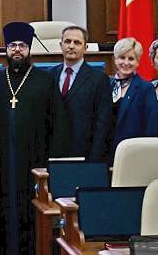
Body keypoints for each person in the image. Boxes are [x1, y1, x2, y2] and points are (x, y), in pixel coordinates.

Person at [0, 21, 61, 255]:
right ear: (6, 49)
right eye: (12, 46)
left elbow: (57, 123)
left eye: (22, 46)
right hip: (2, 164)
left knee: (33, 218)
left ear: (30, 49)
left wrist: (54, 163)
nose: (17, 50)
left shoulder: (45, 81)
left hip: (35, 161)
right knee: (2, 217)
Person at [48, 25, 112, 161]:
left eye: (77, 43)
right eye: (67, 41)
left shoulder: (99, 79)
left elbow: (102, 122)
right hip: (53, 153)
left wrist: (95, 158)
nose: (71, 46)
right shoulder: (49, 75)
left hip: (85, 153)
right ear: (61, 45)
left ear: (85, 47)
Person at [109, 36, 158, 161]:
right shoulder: (105, 85)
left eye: (131, 59)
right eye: (122, 57)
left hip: (134, 154)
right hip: (107, 154)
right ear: (115, 59)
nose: (126, 62)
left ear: (137, 62)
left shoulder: (146, 89)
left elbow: (152, 127)